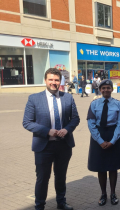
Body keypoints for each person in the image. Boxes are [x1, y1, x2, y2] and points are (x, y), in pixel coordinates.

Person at [22, 68, 80, 210]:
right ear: (45, 80)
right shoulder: (34, 98)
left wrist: (67, 129)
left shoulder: (68, 97)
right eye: (51, 79)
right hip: (44, 146)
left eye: (56, 80)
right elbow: (27, 122)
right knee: (42, 178)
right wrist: (48, 131)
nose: (53, 83)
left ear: (60, 81)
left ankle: (61, 202)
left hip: (63, 145)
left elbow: (75, 118)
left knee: (61, 176)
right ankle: (39, 205)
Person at [87, 79, 120, 206]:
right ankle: (103, 194)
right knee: (101, 167)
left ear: (112, 89)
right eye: (103, 88)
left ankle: (113, 193)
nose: (106, 90)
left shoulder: (118, 104)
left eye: (108, 88)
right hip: (98, 136)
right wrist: (100, 140)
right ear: (100, 90)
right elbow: (91, 123)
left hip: (113, 135)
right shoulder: (94, 104)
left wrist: (113, 141)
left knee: (113, 167)